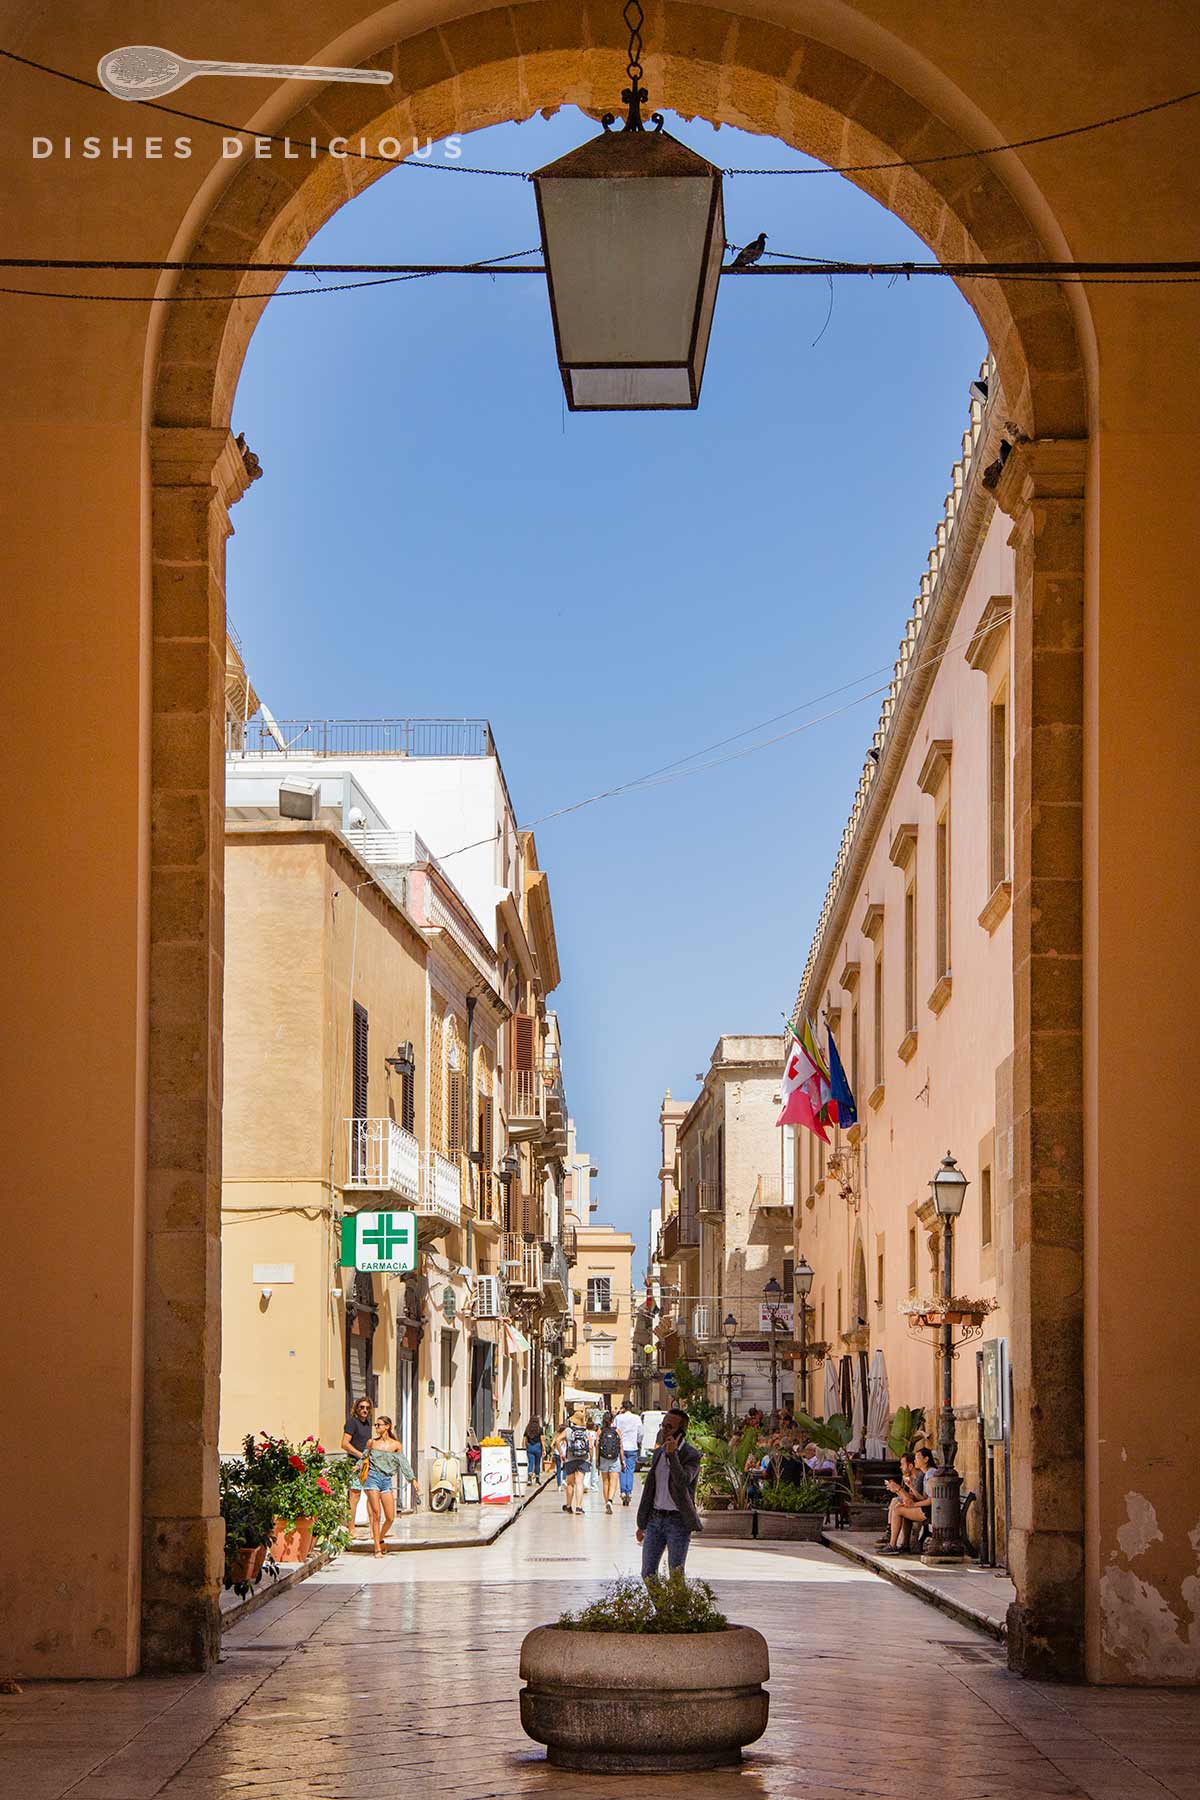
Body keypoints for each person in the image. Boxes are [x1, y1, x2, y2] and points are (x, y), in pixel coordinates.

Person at [636, 1405, 703, 1579]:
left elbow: (682, 1481)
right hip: (655, 1520)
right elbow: (650, 1488)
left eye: (669, 1427)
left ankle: (680, 1607)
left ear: (681, 1431)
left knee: (676, 1574)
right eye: (663, 1425)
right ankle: (663, 1608)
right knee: (647, 1573)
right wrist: (641, 1524)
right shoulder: (658, 1453)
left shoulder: (691, 1455)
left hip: (678, 1521)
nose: (664, 1430)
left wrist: (673, 1455)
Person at [361, 1415, 414, 1559]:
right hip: (372, 1478)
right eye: (376, 1425)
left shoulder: (396, 1445)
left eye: (379, 1425)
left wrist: (412, 1479)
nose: (376, 1427)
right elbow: (364, 1458)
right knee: (376, 1514)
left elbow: (403, 1462)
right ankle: (377, 1549)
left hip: (386, 1480)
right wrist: (356, 1468)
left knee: (390, 1517)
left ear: (387, 1426)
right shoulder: (372, 1442)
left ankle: (379, 1538)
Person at [880, 1445, 937, 1554]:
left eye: (918, 1458)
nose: (915, 1460)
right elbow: (924, 1497)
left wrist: (912, 1505)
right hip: (930, 1508)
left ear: (926, 1459)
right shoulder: (927, 1474)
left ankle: (892, 1545)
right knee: (901, 1507)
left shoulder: (930, 1474)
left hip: (931, 1511)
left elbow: (932, 1500)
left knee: (897, 1510)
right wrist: (910, 1487)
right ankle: (904, 1544)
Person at [341, 1396, 374, 1538]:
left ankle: (374, 1529)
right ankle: (351, 1529)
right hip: (354, 1465)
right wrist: (360, 1455)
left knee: (371, 1495)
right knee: (354, 1496)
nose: (364, 1410)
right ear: (356, 1408)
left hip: (367, 1464)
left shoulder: (368, 1424)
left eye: (367, 1408)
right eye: (362, 1407)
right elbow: (344, 1444)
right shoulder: (352, 1423)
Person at [560, 1411, 591, 1514]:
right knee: (579, 1483)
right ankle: (578, 1507)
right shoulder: (586, 1432)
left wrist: (561, 1453)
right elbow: (590, 1446)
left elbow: (557, 1440)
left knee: (570, 1483)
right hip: (583, 1459)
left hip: (570, 1459)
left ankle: (568, 1505)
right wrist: (591, 1458)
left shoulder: (568, 1430)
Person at [614, 1402, 643, 1506]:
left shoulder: (618, 1418)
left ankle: (622, 1491)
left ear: (623, 1408)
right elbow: (640, 1433)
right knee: (630, 1470)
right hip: (632, 1447)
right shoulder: (637, 1418)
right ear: (631, 1408)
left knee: (622, 1469)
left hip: (621, 1447)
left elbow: (615, 1430)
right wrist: (637, 1441)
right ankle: (629, 1492)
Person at [596, 1411, 623, 1514]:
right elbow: (620, 1446)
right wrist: (623, 1460)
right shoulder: (617, 1431)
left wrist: (597, 1460)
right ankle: (610, 1501)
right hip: (615, 1458)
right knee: (613, 1482)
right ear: (612, 1420)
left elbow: (597, 1446)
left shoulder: (600, 1431)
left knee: (605, 1482)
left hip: (603, 1458)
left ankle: (606, 1502)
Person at [523, 1414, 545, 1484]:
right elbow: (542, 1440)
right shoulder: (540, 1429)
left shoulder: (527, 1429)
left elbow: (524, 1440)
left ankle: (529, 1477)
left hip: (530, 1447)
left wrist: (524, 1448)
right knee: (537, 1463)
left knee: (531, 1462)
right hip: (538, 1446)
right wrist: (544, 1449)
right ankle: (537, 1478)